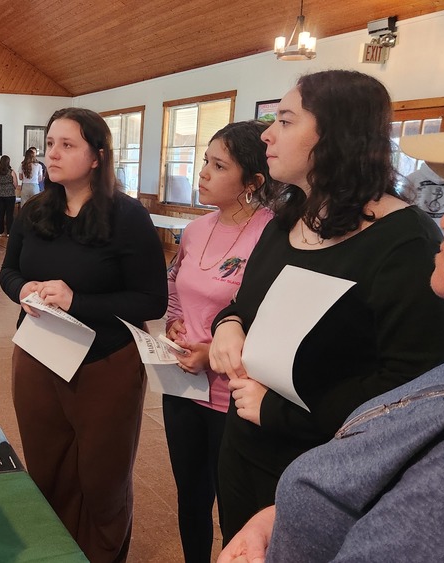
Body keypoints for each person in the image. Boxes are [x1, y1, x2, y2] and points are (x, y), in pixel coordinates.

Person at [219, 101, 444, 563]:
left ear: (336, 135)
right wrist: (229, 324)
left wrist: (280, 414)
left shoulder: (405, 240)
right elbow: (246, 303)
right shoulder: (285, 219)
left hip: (311, 444)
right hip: (252, 444)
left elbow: (404, 387)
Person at [0, 107, 167, 562]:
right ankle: (57, 552)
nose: (52, 153)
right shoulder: (34, 210)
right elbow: (8, 271)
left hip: (104, 364)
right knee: (47, 467)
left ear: (97, 156)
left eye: (67, 145)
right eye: (50, 143)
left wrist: (79, 302)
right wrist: (23, 290)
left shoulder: (127, 216)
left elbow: (152, 301)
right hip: (38, 357)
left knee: (102, 481)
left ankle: (101, 555)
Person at [162, 121, 278, 562]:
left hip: (233, 393)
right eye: (204, 161)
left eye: (218, 165)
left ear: (253, 182)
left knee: (235, 506)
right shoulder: (195, 229)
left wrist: (213, 351)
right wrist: (174, 325)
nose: (203, 173)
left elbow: (272, 317)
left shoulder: (272, 235)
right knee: (190, 494)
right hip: (183, 388)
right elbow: (175, 287)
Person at [0, 155, 19, 237]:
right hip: (10, 194)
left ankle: (0, 231)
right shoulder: (11, 172)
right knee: (9, 214)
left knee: (0, 213)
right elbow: (15, 184)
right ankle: (9, 232)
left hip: (0, 194)